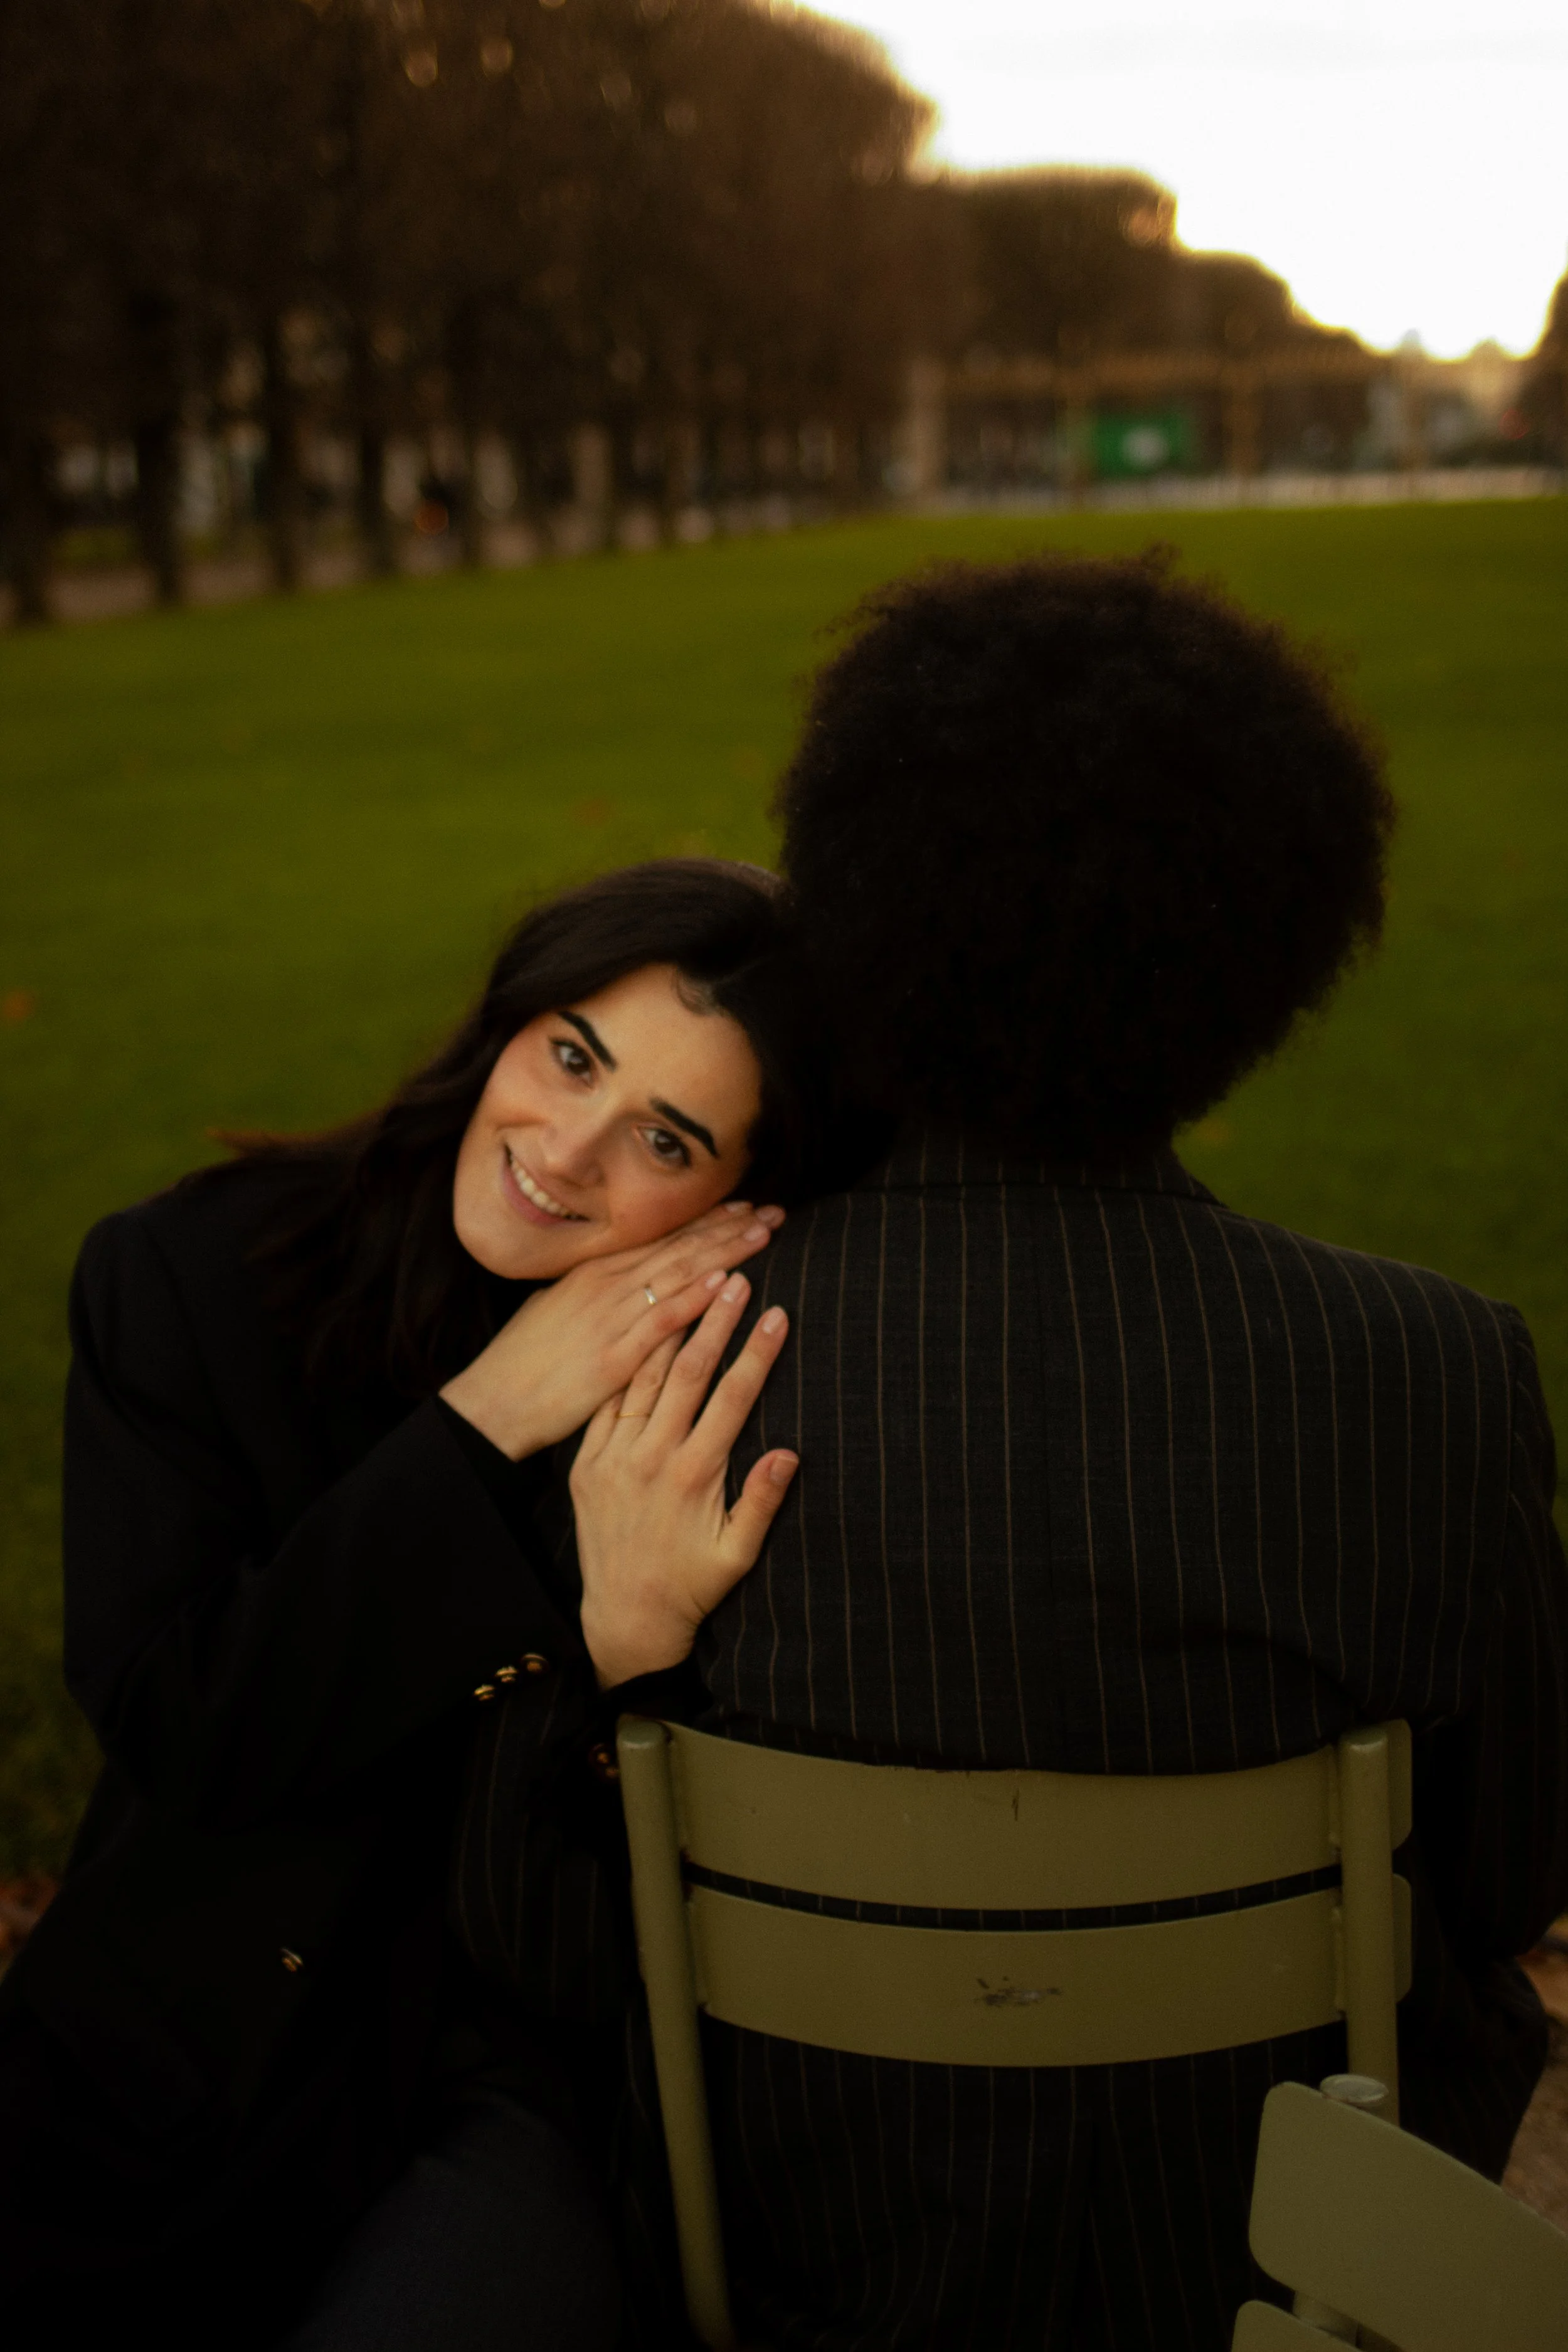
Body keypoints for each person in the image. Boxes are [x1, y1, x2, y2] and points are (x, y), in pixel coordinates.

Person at [584, 554, 1566, 2348]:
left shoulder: (678, 1353)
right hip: (1259, 2262)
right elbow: (1506, 1874)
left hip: (811, 2253)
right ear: (1259, 952)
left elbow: (556, 1900)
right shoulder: (1433, 1372)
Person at [0, 858, 839, 2348]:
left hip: (507, 2077)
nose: (566, 1153)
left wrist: (621, 1660)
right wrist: (484, 1418)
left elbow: (644, 1868)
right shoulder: (187, 1276)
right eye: (570, 1057)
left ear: (738, 1199)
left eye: (664, 1137)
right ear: (507, 1022)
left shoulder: (713, 1398)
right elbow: (189, 1727)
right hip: (179, 2055)